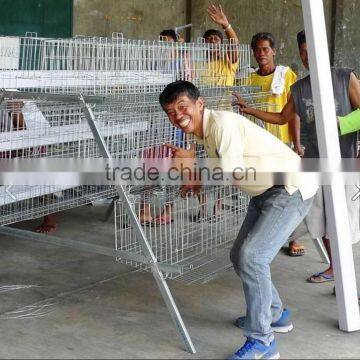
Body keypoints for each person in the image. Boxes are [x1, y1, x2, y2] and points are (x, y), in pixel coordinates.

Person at [160, 80, 317, 359]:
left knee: (252, 257)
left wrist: (193, 167)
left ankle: (262, 342)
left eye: (182, 107)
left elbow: (231, 174)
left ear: (199, 104)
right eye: (170, 112)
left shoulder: (222, 125)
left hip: (290, 188)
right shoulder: (204, 134)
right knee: (239, 256)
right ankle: (275, 314)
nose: (178, 116)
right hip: (265, 192)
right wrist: (195, 181)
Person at [233, 30, 360, 283]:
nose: (307, 57)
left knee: (348, 223)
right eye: (303, 52)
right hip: (314, 163)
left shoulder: (344, 77)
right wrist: (250, 110)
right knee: (324, 221)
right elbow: (282, 117)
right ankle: (335, 270)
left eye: (311, 51)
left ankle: (351, 285)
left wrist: (340, 123)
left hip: (346, 161)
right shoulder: (299, 88)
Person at [248, 32, 304, 257]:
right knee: (264, 191)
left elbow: (294, 112)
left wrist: (297, 143)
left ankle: (294, 238)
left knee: (288, 192)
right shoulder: (249, 78)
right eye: (257, 50)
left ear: (273, 51)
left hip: (283, 144)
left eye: (265, 49)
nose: (261, 54)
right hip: (259, 147)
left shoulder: (286, 75)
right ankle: (265, 238)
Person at [1, 101, 58, 234]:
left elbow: (21, 131)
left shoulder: (12, 97)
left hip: (30, 140)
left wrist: (22, 150)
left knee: (37, 180)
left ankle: (49, 220)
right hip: (12, 139)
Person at [200, 4, 239, 86]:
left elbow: (234, 43)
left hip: (226, 99)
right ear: (203, 44)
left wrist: (226, 25)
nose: (213, 41)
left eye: (216, 39)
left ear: (221, 44)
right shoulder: (197, 66)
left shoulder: (228, 61)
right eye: (209, 39)